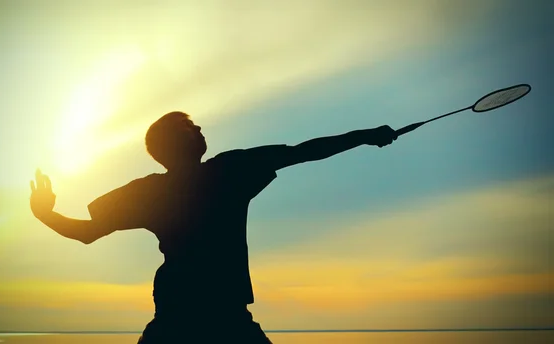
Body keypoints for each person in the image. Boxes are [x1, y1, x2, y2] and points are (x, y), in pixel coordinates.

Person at [29, 111, 398, 343]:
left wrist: (45, 214)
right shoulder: (229, 171)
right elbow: (305, 150)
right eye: (190, 126)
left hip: (180, 316)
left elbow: (87, 232)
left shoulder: (150, 191)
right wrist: (365, 135)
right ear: (178, 142)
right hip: (219, 318)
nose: (200, 127)